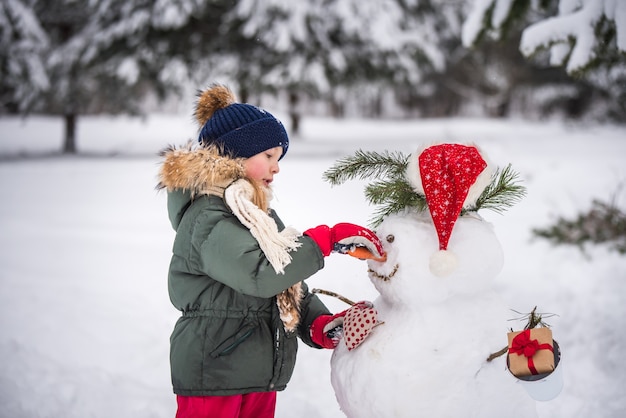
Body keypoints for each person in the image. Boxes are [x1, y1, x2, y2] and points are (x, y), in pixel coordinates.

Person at [157, 84, 385, 418]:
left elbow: (284, 279)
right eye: (269, 156)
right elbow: (260, 276)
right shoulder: (206, 216)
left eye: (278, 158)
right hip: (215, 370)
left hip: (258, 368)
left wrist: (317, 322)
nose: (277, 167)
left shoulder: (256, 214)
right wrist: (325, 240)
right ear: (235, 155)